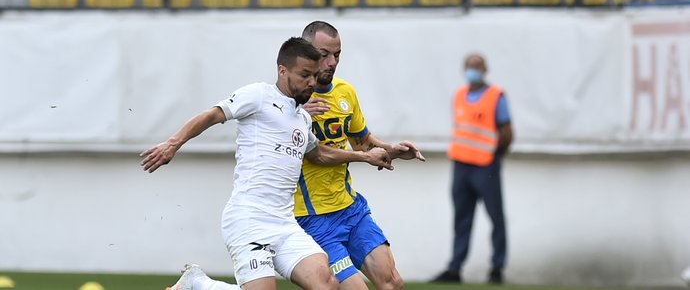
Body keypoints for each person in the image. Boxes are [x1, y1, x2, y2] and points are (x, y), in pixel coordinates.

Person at [140, 37, 394, 290]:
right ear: (282, 70)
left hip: (284, 223)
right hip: (249, 218)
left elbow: (319, 154)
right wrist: (172, 144)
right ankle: (198, 284)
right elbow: (212, 115)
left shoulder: (302, 119)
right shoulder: (259, 95)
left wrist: (365, 156)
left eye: (314, 76)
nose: (312, 82)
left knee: (327, 284)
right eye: (305, 75)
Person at [297, 21, 426, 290]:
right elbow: (316, 154)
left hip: (351, 210)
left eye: (338, 55)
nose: (332, 62)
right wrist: (296, 115)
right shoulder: (291, 100)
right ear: (306, 53)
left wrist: (392, 151)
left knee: (393, 283)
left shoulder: (345, 92)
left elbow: (362, 142)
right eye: (324, 55)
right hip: (314, 218)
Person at [431, 53, 513, 284]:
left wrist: (496, 155)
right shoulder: (458, 96)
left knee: (496, 217)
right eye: (468, 66)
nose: (472, 70)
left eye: (476, 66)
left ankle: (497, 268)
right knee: (461, 219)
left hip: (486, 165)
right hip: (461, 165)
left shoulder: (496, 96)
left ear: (485, 69)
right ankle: (455, 268)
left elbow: (507, 132)